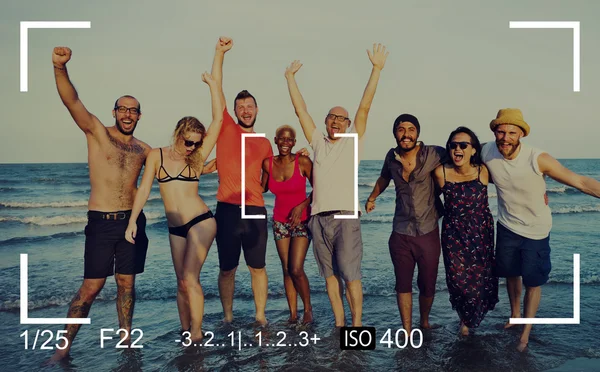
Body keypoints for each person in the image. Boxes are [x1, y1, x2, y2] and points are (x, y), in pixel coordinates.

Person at [50, 47, 151, 361]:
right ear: (114, 112)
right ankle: (63, 348)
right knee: (91, 287)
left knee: (126, 285)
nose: (127, 114)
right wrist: (59, 67)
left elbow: (178, 164)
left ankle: (125, 340)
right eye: (122, 109)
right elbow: (71, 100)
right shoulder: (97, 132)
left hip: (131, 224)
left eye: (133, 110)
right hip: (101, 222)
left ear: (139, 115)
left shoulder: (144, 149)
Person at [285, 43, 389, 327]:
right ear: (326, 121)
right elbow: (300, 110)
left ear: (347, 124)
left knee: (351, 276)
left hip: (345, 215)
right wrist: (290, 78)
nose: (337, 121)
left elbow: (365, 106)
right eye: (332, 117)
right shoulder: (318, 142)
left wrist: (376, 69)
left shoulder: (353, 142)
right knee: (330, 276)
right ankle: (340, 325)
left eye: (342, 118)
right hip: (318, 219)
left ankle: (356, 328)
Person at [482, 108, 600, 351]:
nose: (505, 137)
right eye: (501, 131)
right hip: (506, 226)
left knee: (533, 282)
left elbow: (579, 181)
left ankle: (526, 332)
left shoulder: (538, 158)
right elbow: (461, 157)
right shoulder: (486, 151)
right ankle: (515, 316)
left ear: (521, 134)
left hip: (536, 230)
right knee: (510, 273)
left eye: (512, 132)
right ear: (494, 131)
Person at [124, 72, 223, 342]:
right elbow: (144, 189)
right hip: (175, 227)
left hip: (201, 221)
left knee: (190, 278)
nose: (192, 147)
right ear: (178, 134)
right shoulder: (156, 155)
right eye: (188, 141)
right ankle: (185, 330)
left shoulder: (198, 156)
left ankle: (198, 333)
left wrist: (214, 86)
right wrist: (132, 221)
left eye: (196, 142)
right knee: (180, 282)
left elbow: (218, 121)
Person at [210, 37, 272, 325]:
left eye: (250, 106)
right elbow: (217, 86)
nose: (245, 110)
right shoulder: (225, 128)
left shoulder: (264, 143)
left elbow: (271, 178)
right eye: (241, 107)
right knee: (227, 269)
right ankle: (228, 317)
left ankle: (260, 317)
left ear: (257, 110)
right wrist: (220, 53)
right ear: (234, 111)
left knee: (257, 268)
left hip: (256, 211)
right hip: (227, 209)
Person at [365, 114, 445, 333]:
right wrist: (372, 198)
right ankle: (408, 330)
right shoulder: (391, 157)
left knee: (428, 283)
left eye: (411, 129)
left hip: (428, 230)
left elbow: (462, 160)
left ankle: (424, 322)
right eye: (401, 129)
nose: (406, 134)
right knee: (403, 283)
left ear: (417, 133)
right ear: (395, 133)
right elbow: (383, 177)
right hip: (400, 232)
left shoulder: (434, 153)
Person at [432, 127, 498, 336]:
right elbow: (429, 197)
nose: (457, 149)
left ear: (473, 150)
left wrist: (540, 188)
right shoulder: (440, 172)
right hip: (453, 234)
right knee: (458, 280)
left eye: (463, 145)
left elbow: (513, 181)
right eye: (453, 145)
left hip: (481, 232)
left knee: (480, 279)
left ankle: (470, 320)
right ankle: (464, 320)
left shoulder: (484, 171)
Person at [260, 125, 314, 324]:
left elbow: (321, 188)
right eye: (281, 139)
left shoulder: (303, 162)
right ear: (275, 140)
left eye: (289, 139)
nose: (285, 142)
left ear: (294, 142)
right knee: (285, 269)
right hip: (279, 221)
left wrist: (303, 205)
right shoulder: (268, 163)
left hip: (301, 221)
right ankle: (293, 314)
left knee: (296, 268)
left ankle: (307, 309)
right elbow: (262, 187)